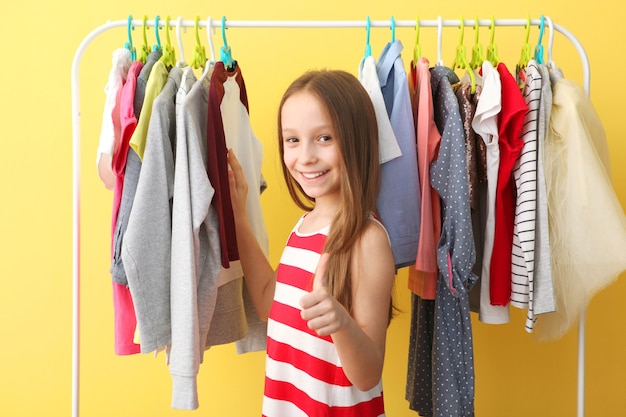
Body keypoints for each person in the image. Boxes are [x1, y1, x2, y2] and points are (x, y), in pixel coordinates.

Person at [227, 69, 396, 417]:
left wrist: (341, 323)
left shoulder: (368, 240)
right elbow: (266, 303)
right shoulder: (303, 226)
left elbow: (367, 375)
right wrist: (239, 217)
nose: (305, 157)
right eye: (292, 140)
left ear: (356, 140)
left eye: (324, 138)